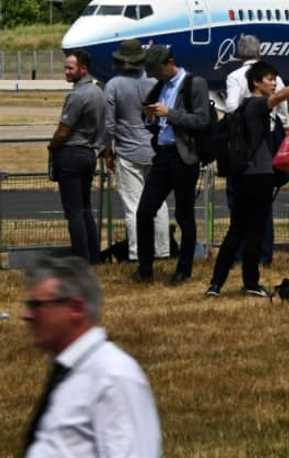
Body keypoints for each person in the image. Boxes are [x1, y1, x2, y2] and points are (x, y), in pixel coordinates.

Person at [22, 256, 160, 457]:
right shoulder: (70, 372)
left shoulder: (114, 376)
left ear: (75, 309)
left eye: (37, 305)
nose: (27, 315)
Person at [207, 61, 289, 297]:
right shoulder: (256, 104)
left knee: (237, 230)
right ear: (255, 82)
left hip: (243, 173)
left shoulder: (242, 108)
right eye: (269, 79)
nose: (274, 83)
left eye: (275, 78)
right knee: (253, 231)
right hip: (259, 174)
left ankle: (217, 283)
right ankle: (250, 282)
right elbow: (279, 97)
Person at [133, 45, 212, 284]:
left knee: (184, 214)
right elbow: (150, 118)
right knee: (145, 211)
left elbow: (201, 119)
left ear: (170, 62)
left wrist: (170, 113)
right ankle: (145, 267)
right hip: (163, 154)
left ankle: (184, 269)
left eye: (157, 70)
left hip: (184, 156)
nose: (154, 75)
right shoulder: (160, 86)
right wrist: (149, 117)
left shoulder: (193, 83)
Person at [103, 40, 171, 262]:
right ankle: (163, 250)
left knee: (133, 205)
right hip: (155, 148)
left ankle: (137, 252)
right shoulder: (155, 81)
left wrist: (107, 149)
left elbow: (109, 123)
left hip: (128, 150)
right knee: (159, 203)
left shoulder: (114, 85)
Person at [223, 34, 288, 264]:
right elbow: (283, 111)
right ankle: (264, 252)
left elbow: (230, 106)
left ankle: (241, 252)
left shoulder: (234, 76)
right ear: (260, 52)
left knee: (239, 199)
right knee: (265, 200)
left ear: (240, 55)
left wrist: (247, 111)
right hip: (270, 139)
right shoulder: (274, 78)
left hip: (245, 141)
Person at [49, 50, 104, 263]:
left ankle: (81, 258)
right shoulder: (98, 91)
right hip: (89, 153)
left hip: (71, 153)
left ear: (83, 69)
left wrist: (52, 146)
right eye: (65, 67)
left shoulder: (77, 95)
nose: (66, 71)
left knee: (74, 212)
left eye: (70, 68)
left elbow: (64, 130)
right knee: (85, 208)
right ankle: (93, 256)